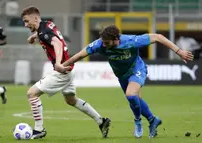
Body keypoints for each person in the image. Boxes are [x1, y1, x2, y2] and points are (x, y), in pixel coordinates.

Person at [55, 25, 194, 138]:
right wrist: (62, 66)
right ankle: (152, 120)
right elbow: (79, 55)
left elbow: (158, 37)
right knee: (135, 100)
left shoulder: (131, 41)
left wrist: (178, 51)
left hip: (136, 69)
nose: (104, 45)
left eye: (107, 43)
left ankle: (138, 122)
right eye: (103, 42)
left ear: (116, 39)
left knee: (131, 95)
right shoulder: (99, 44)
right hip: (122, 76)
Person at [21, 6, 111, 139]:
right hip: (69, 69)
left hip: (62, 71)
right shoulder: (47, 25)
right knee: (71, 100)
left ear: (35, 18)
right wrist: (34, 36)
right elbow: (49, 34)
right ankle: (101, 121)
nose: (25, 24)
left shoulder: (43, 31)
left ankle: (39, 130)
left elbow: (56, 42)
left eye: (26, 21)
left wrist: (58, 63)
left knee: (32, 94)